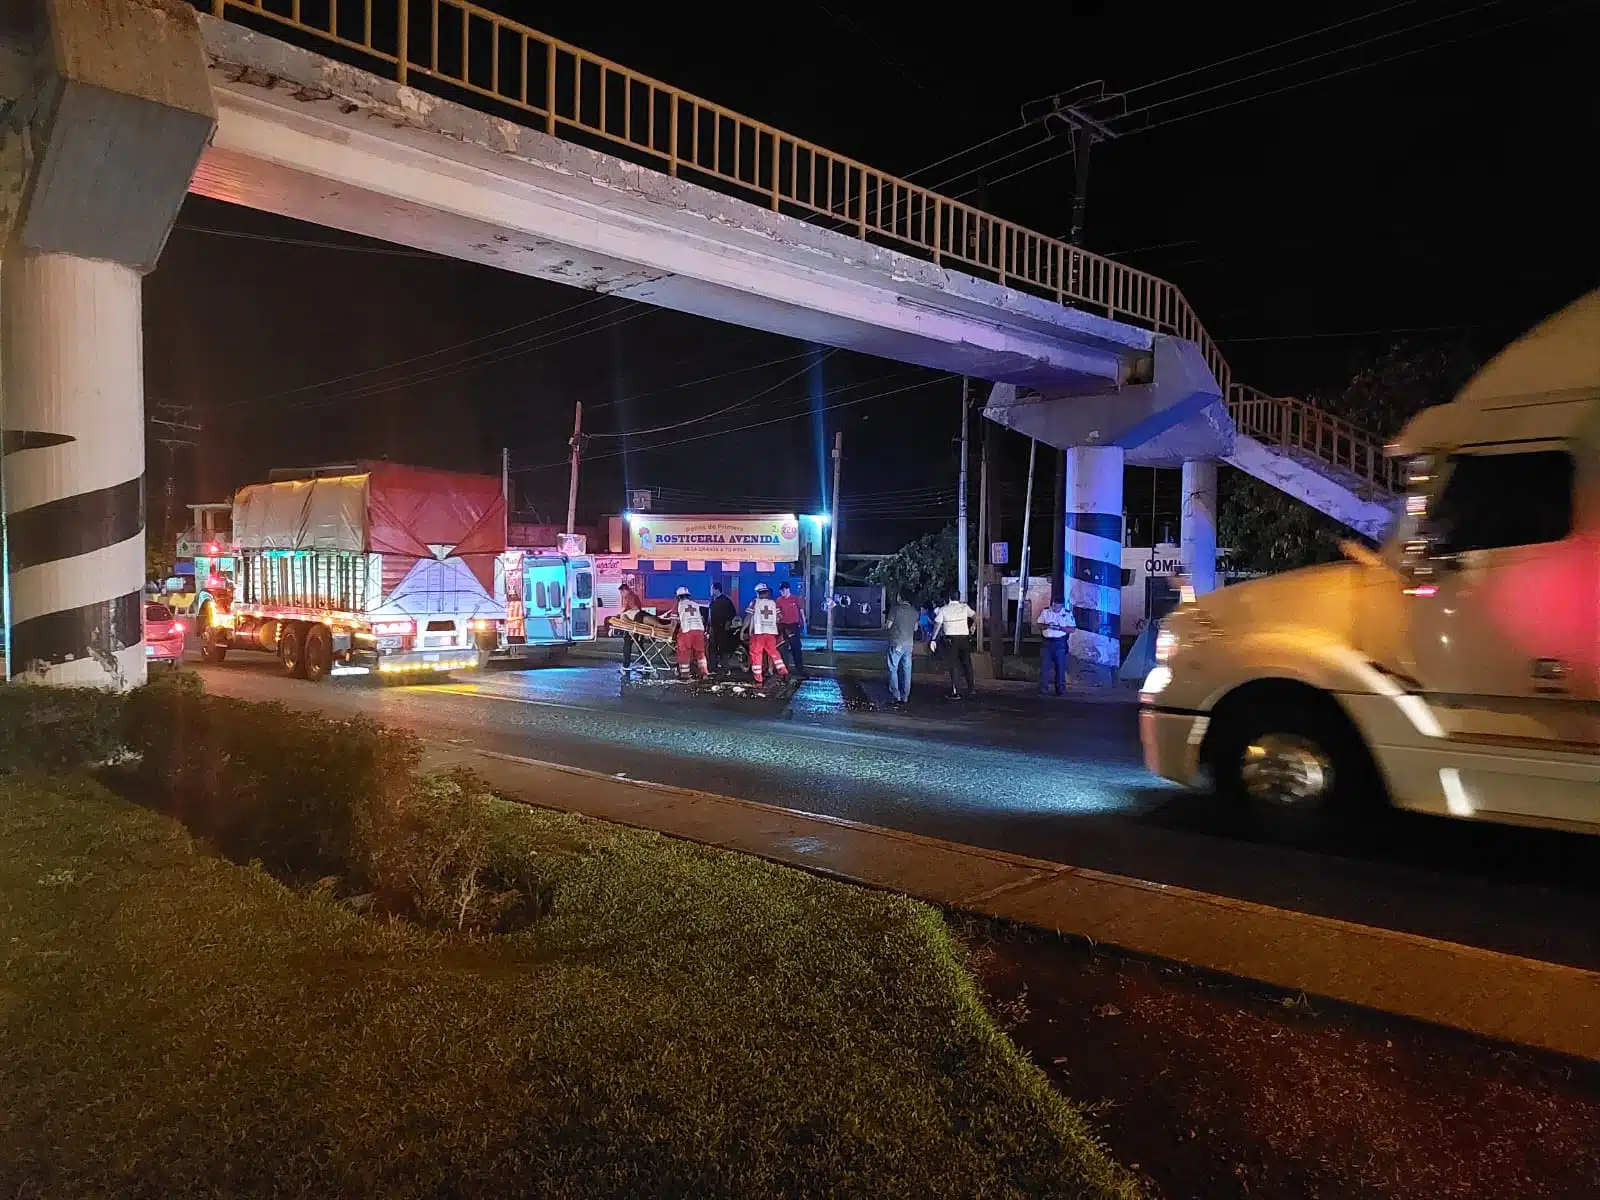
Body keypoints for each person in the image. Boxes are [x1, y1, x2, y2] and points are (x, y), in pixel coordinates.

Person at [931, 588, 976, 699]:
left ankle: (957, 692)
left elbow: (937, 625)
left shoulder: (944, 610)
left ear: (949, 597)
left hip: (952, 641)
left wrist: (933, 639)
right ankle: (971, 688)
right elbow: (975, 615)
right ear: (959, 597)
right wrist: (974, 625)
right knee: (967, 664)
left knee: (954, 665)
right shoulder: (965, 608)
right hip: (964, 639)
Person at [743, 582, 790, 686]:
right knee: (774, 653)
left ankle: (758, 678)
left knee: (756, 654)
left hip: (758, 633)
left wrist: (743, 630)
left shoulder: (755, 602)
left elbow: (748, 617)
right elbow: (779, 618)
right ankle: (783, 672)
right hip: (771, 633)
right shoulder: (773, 603)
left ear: (758, 593)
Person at [883, 590, 918, 705]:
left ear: (900, 597)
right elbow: (915, 628)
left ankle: (896, 695)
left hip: (897, 643)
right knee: (907, 670)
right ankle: (905, 696)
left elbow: (888, 625)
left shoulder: (895, 609)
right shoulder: (914, 611)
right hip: (909, 644)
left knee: (893, 668)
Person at [1037, 596, 1074, 697]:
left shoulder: (1066, 613)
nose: (1055, 608)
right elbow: (1039, 625)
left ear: (1061, 606)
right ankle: (1043, 688)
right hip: (1046, 643)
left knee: (1060, 667)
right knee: (1044, 667)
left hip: (1059, 643)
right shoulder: (1046, 612)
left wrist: (1061, 628)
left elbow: (1072, 629)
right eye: (1054, 605)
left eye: (1057, 606)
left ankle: (1060, 689)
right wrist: (1047, 626)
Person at [673, 586, 710, 679]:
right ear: (688, 596)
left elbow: (673, 622)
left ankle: (685, 675)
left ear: (678, 597)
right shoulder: (695, 604)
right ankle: (704, 673)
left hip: (687, 631)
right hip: (699, 630)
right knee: (700, 652)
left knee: (684, 652)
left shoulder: (678, 605)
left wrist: (670, 632)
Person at [775, 580, 806, 675]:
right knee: (783, 648)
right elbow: (777, 614)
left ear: (788, 589)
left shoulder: (795, 599)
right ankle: (785, 669)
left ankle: (799, 668)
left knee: (796, 648)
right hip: (783, 626)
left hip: (794, 626)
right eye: (781, 590)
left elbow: (801, 612)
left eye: (783, 590)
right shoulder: (779, 600)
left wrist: (804, 625)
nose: (782, 592)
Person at [708, 582, 738, 674]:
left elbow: (733, 614)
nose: (711, 591)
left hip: (723, 629)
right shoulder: (713, 601)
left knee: (723, 649)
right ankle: (714, 668)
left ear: (717, 589)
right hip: (714, 629)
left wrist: (727, 624)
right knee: (713, 648)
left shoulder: (726, 601)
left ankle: (725, 669)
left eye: (712, 589)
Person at [618, 578, 644, 675]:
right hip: (636, 624)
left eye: (621, 593)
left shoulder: (630, 597)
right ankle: (644, 663)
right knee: (639, 645)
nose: (621, 595)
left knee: (627, 645)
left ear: (625, 590)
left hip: (633, 625)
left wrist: (625, 616)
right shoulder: (633, 596)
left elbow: (635, 609)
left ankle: (626, 665)